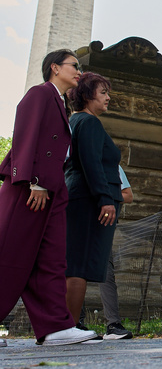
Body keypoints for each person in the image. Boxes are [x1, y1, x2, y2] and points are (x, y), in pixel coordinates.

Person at [0, 49, 97, 346]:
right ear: (54, 68)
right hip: (30, 189)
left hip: (53, 191)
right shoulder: (39, 94)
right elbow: (25, 136)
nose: (78, 70)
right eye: (74, 65)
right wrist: (34, 181)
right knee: (9, 255)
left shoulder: (60, 102)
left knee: (53, 260)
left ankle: (55, 326)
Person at [65, 72, 122, 332]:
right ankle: (69, 327)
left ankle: (69, 324)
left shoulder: (76, 121)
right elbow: (91, 164)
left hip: (82, 198)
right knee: (79, 263)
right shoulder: (88, 123)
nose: (108, 97)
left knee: (79, 262)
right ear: (87, 96)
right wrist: (105, 199)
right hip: (89, 201)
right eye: (103, 93)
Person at [78, 165, 134, 340]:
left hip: (100, 226)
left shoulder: (112, 165)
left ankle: (113, 325)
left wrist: (104, 199)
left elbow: (128, 195)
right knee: (72, 272)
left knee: (106, 272)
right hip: (73, 223)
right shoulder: (69, 161)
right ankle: (75, 324)